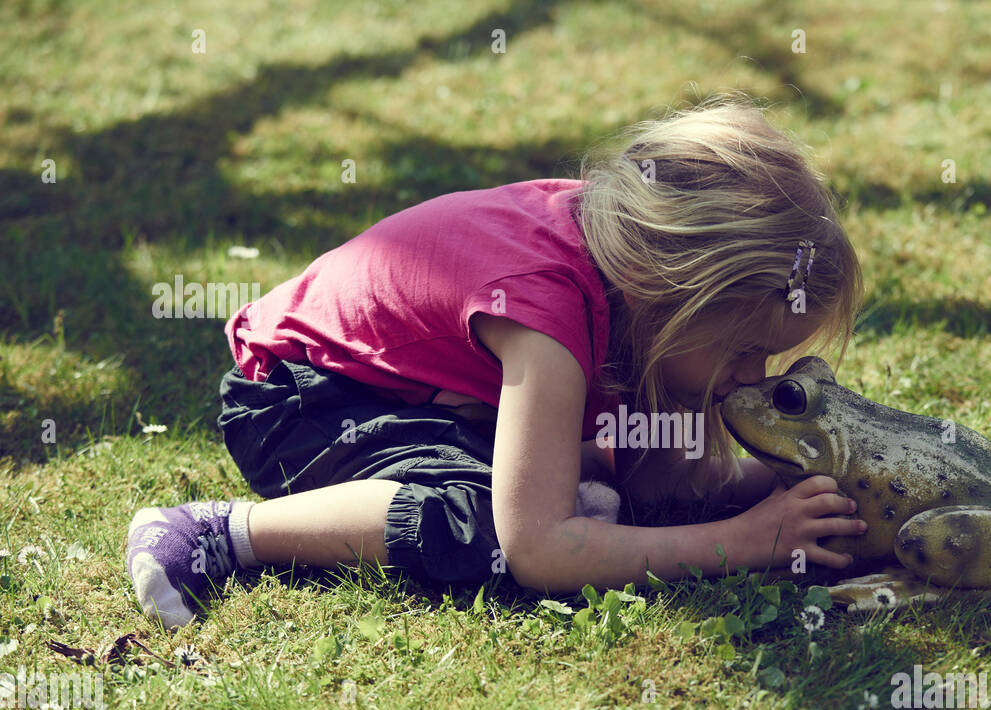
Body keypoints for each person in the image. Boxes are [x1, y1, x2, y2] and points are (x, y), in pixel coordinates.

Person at [125, 92, 867, 629]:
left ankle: (573, 505)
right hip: (300, 402)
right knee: (484, 524)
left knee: (598, 496)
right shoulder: (547, 312)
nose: (750, 376)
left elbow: (667, 483)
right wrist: (739, 543)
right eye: (743, 350)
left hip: (421, 399)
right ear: (670, 290)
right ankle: (221, 531)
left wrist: (783, 485)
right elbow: (538, 549)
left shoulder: (633, 286)